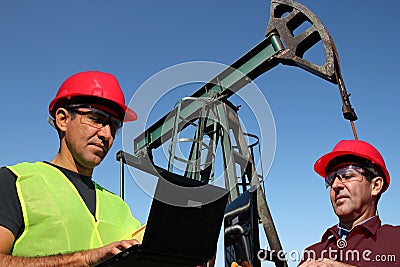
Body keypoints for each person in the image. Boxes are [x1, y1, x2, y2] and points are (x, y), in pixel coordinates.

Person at [0, 71, 143, 266]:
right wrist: (82, 260)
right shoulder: (16, 181)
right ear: (63, 120)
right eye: (96, 119)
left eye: (114, 125)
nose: (107, 134)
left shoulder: (120, 208)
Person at [299, 139, 400, 266]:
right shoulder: (313, 254)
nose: (335, 185)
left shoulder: (396, 240)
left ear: (375, 186)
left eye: (347, 176)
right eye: (330, 180)